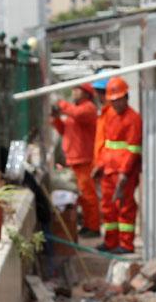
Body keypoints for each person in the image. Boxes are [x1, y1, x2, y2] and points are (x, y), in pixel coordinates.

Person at [95, 77, 142, 254]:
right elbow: (106, 144)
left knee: (125, 207)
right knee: (108, 207)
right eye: (112, 100)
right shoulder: (109, 115)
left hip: (125, 172)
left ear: (126, 97)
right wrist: (100, 165)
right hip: (108, 169)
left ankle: (126, 245)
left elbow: (133, 148)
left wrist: (124, 174)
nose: (115, 103)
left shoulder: (133, 119)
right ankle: (110, 242)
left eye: (118, 100)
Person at [51, 83, 100, 236]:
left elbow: (77, 114)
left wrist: (59, 103)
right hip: (75, 159)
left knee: (88, 195)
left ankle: (93, 227)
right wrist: (56, 119)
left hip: (84, 159)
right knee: (81, 195)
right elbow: (64, 130)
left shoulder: (88, 108)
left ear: (87, 93)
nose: (73, 91)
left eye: (77, 89)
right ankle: (87, 224)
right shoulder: (75, 110)